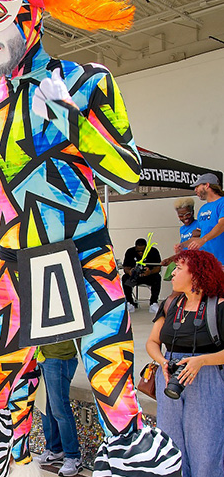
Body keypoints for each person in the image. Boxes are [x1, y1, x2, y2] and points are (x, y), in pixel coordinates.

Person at [0, 0, 179, 471]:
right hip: (13, 261)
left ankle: (132, 452)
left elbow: (127, 172)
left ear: (31, 14)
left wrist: (71, 120)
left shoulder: (86, 81)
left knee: (111, 383)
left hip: (84, 257)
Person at [146, 249, 224, 477]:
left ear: (196, 275)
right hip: (170, 377)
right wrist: (162, 361)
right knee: (170, 444)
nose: (172, 275)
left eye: (179, 269)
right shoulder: (170, 303)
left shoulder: (218, 306)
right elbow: (152, 341)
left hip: (206, 378)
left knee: (206, 446)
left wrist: (201, 361)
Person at [33, 341, 82, 476]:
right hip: (42, 355)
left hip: (60, 357)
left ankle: (73, 456)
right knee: (46, 407)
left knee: (60, 409)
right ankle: (54, 449)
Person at [186, 173, 224, 265]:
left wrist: (203, 240)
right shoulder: (203, 209)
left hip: (221, 261)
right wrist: (183, 245)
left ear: (207, 185)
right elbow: (198, 234)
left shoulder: (222, 202)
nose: (195, 190)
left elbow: (221, 225)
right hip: (207, 263)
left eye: (197, 186)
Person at [122, 238, 162, 313]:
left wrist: (150, 272)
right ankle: (130, 302)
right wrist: (130, 272)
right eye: (138, 251)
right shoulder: (130, 252)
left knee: (157, 277)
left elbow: (158, 267)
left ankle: (153, 303)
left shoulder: (153, 251)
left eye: (142, 251)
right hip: (135, 277)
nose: (140, 253)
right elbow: (125, 268)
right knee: (125, 278)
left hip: (148, 276)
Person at [163, 198, 202, 267]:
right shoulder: (182, 229)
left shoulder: (199, 224)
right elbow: (183, 250)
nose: (185, 218)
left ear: (192, 212)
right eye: (181, 216)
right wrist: (171, 259)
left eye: (187, 215)